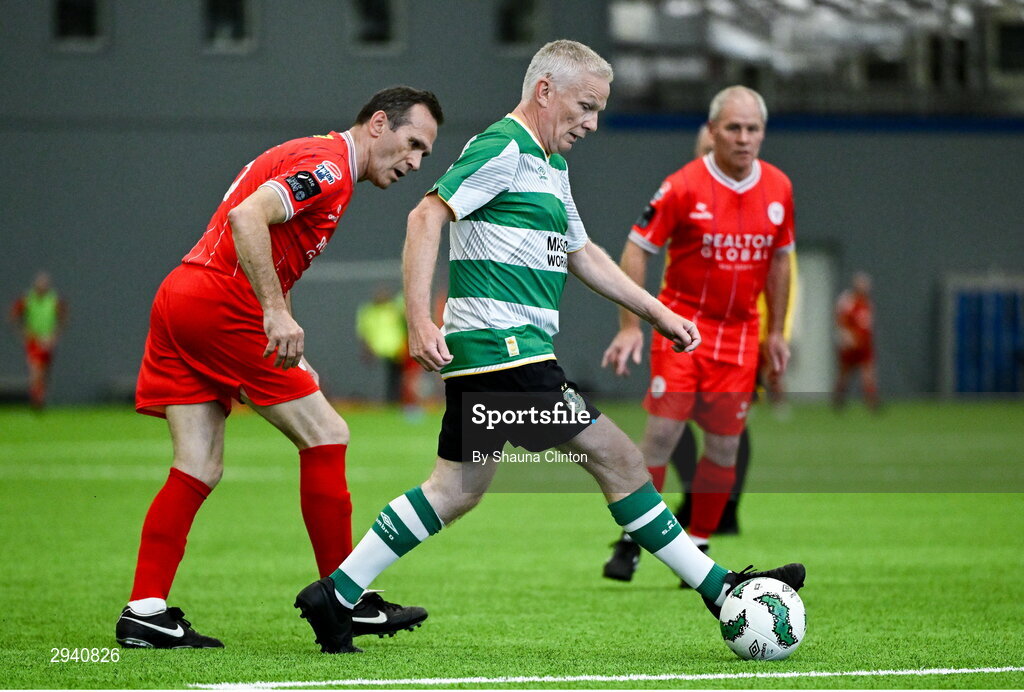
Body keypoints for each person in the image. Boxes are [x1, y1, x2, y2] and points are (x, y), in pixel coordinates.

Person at [291, 41, 804, 655]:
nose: (591, 123)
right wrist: (421, 320)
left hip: (498, 356)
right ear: (545, 91)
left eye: (598, 111)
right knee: (619, 459)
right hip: (505, 351)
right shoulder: (502, 146)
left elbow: (581, 253)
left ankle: (337, 593)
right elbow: (426, 216)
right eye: (585, 107)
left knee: (455, 490)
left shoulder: (551, 166)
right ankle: (722, 592)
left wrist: (656, 310)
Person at [117, 87, 444, 649]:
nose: (415, 162)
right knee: (327, 434)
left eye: (424, 155)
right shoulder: (328, 167)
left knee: (197, 465)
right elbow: (248, 218)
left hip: (183, 296)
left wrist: (282, 318)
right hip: (222, 301)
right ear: (378, 124)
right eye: (412, 144)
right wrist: (271, 310)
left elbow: (263, 241)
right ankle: (346, 600)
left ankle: (145, 611)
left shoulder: (318, 157)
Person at [601, 86, 795, 583]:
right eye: (734, 128)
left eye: (753, 129)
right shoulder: (682, 186)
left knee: (725, 447)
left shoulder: (779, 189)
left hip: (740, 335)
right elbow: (636, 248)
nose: (744, 138)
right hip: (683, 325)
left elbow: (780, 261)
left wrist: (775, 331)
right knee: (662, 436)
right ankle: (634, 538)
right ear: (712, 132)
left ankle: (700, 546)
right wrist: (631, 326)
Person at [9, 271, 67, 409]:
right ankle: (36, 398)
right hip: (34, 339)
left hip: (47, 340)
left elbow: (63, 317)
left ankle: (40, 395)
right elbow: (14, 315)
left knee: (45, 371)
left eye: (45, 284)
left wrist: (54, 336)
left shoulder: (53, 299)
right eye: (40, 284)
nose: (43, 287)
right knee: (35, 369)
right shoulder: (28, 299)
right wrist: (23, 333)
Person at [833, 271, 879, 410]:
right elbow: (840, 321)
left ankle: (872, 403)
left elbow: (868, 325)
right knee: (844, 375)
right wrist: (846, 337)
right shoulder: (848, 301)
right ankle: (838, 399)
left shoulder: (867, 303)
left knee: (868, 374)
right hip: (851, 346)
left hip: (864, 346)